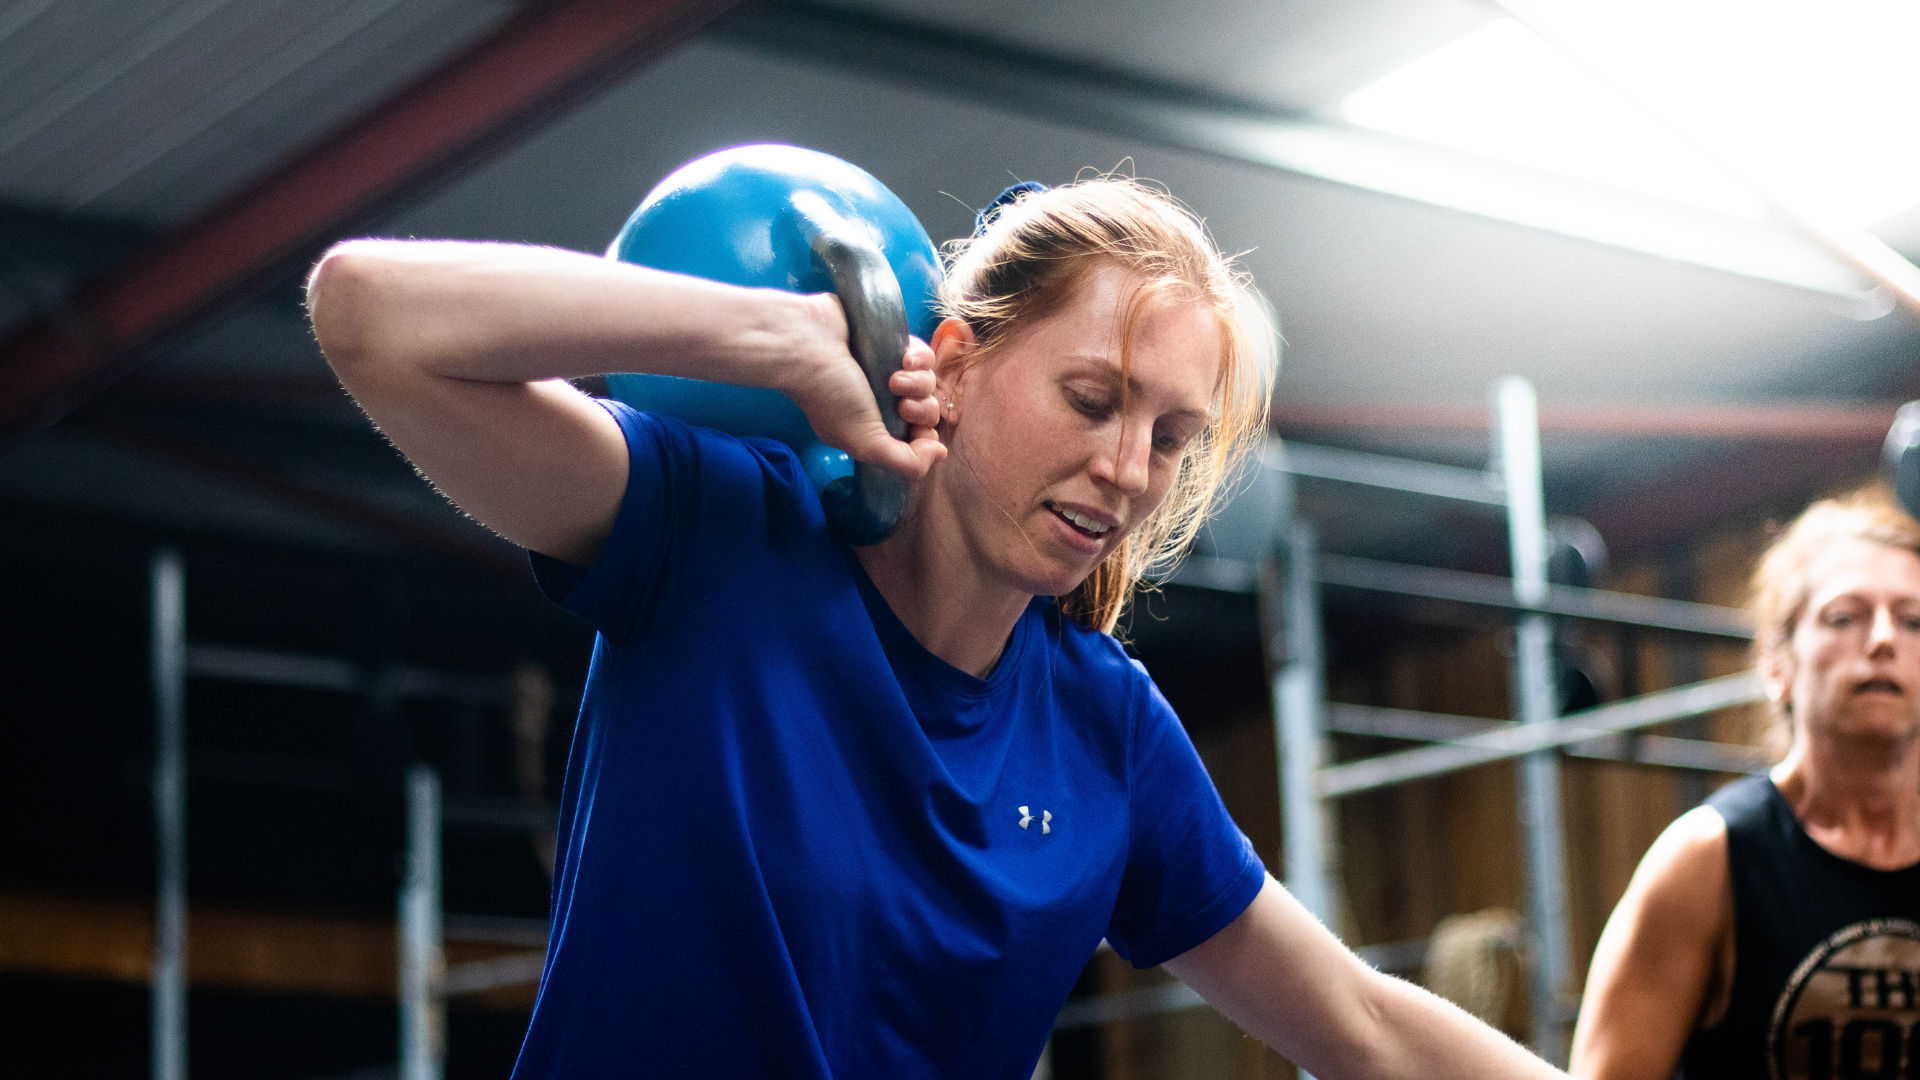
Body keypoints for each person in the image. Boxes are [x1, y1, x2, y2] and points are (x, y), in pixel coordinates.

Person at [308, 174, 1561, 1080]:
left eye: (1171, 437)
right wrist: (773, 338)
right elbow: (366, 312)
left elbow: (1361, 1024)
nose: (1128, 468)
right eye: (1092, 399)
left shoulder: (1106, 729)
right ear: (951, 367)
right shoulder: (720, 537)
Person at [1571, 489, 1920, 1080]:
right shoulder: (1708, 860)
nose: (1884, 639)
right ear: (1776, 663)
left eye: (1913, 620)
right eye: (1845, 617)